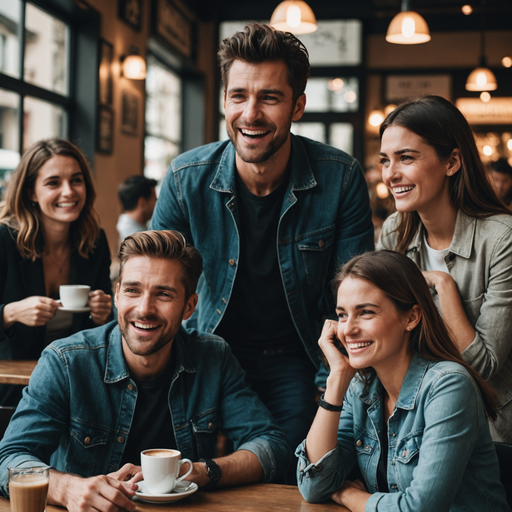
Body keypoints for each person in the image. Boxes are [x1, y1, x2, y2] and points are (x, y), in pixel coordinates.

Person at [151, 23, 374, 480]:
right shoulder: (184, 177)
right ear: (224, 100)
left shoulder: (340, 177)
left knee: (286, 478)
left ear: (297, 105)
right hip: (203, 354)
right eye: (238, 96)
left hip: (294, 361)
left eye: (269, 98)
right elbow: (153, 281)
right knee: (174, 479)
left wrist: (329, 386)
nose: (250, 114)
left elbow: (355, 295)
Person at [0, 230, 290, 512]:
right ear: (117, 295)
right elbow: (9, 459)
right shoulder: (65, 362)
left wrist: (202, 472)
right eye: (132, 290)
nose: (144, 308)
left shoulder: (213, 357)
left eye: (163, 294)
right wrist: (69, 489)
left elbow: (271, 446)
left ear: (189, 306)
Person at [296, 250, 509, 512]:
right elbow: (314, 486)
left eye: (365, 312)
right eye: (342, 315)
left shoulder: (449, 386)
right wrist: (337, 378)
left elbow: (419, 508)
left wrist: (350, 496)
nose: (348, 329)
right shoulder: (359, 388)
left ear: (411, 317)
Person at [376, 95, 512, 443]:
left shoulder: (502, 240)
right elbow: (388, 341)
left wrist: (443, 286)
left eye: (406, 158)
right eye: (385, 160)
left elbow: (484, 365)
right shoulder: (395, 231)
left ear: (452, 161)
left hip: (489, 432)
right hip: (415, 424)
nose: (391, 174)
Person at [0, 138, 112, 406]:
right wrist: (11, 313)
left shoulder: (94, 242)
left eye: (76, 180)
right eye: (53, 183)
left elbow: (102, 330)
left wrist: (105, 312)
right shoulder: (4, 240)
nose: (68, 192)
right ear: (30, 192)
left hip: (75, 384)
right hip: (11, 386)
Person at [116, 175, 158, 241]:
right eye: (155, 199)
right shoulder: (137, 239)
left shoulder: (122, 227)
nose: (157, 204)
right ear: (143, 202)